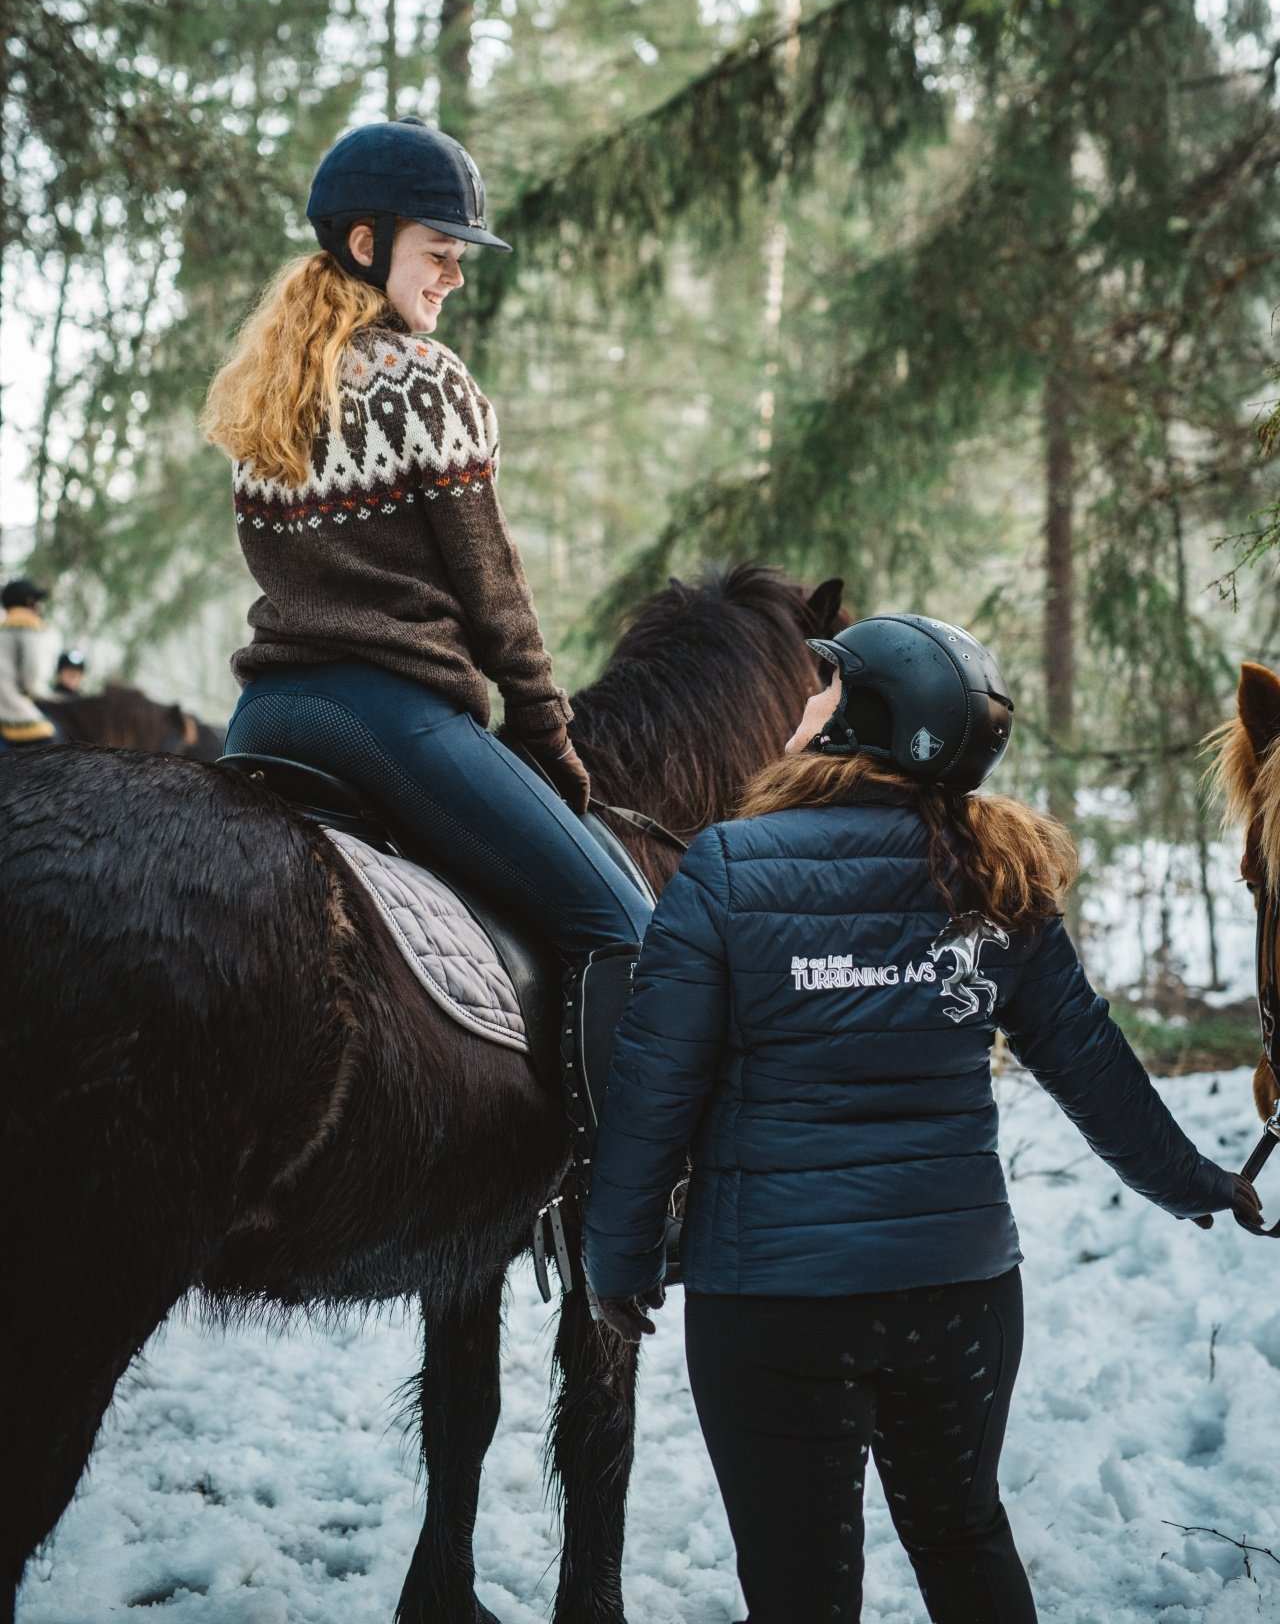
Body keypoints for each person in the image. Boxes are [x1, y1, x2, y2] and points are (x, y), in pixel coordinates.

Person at [583, 614, 1259, 1624]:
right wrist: (1192, 1180)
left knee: (797, 1588)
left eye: (822, 690)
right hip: (958, 1297)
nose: (800, 706)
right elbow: (1087, 1062)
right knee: (963, 1542)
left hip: (773, 1305)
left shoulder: (723, 871)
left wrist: (619, 1265)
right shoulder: (997, 874)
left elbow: (651, 1095)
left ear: (862, 718)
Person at [202, 116, 650, 970]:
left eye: (460, 256)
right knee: (627, 930)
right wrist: (546, 731)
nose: (455, 275)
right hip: (385, 716)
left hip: (267, 716)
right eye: (439, 251)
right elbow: (493, 588)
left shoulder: (267, 395)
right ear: (367, 243)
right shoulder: (421, 375)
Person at [0, 579, 60, 751]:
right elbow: (31, 679)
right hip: (10, 709)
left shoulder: (4, 627)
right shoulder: (26, 625)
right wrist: (49, 696)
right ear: (29, 601)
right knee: (57, 743)